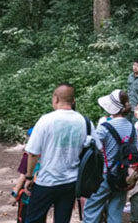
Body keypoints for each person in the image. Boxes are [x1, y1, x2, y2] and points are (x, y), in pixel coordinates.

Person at [25, 83, 92, 223]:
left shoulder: (46, 120)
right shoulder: (85, 122)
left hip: (46, 181)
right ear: (73, 100)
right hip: (71, 182)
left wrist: (29, 177)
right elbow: (93, 148)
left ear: (55, 99)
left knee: (33, 219)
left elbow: (33, 153)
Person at [84, 90, 136, 223]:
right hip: (122, 177)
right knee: (115, 214)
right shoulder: (131, 127)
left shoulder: (104, 127)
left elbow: (93, 147)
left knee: (91, 211)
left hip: (104, 176)